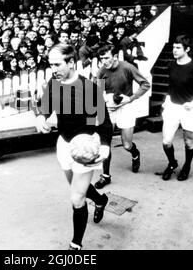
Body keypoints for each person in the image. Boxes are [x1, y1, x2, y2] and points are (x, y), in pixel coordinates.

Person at [35, 43, 113, 250]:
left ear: (71, 62)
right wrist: (41, 118)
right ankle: (100, 200)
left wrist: (104, 147)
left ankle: (76, 245)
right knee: (78, 188)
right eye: (50, 64)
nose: (53, 69)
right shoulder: (53, 84)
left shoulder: (90, 88)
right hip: (64, 143)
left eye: (57, 64)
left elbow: (104, 122)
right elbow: (44, 107)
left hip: (85, 147)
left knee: (77, 199)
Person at [94, 44, 150, 189]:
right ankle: (105, 176)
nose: (104, 61)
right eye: (101, 59)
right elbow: (98, 91)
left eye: (106, 57)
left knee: (126, 145)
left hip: (126, 106)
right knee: (105, 144)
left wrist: (130, 98)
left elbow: (145, 84)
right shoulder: (101, 71)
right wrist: (105, 99)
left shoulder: (127, 67)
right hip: (109, 108)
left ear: (114, 56)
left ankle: (135, 153)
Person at [160, 35, 193, 181]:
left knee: (188, 141)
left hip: (189, 109)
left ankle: (187, 165)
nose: (174, 50)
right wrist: (167, 98)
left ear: (187, 49)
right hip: (172, 108)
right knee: (166, 141)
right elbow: (171, 86)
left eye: (178, 48)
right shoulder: (171, 65)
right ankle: (172, 163)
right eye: (173, 47)